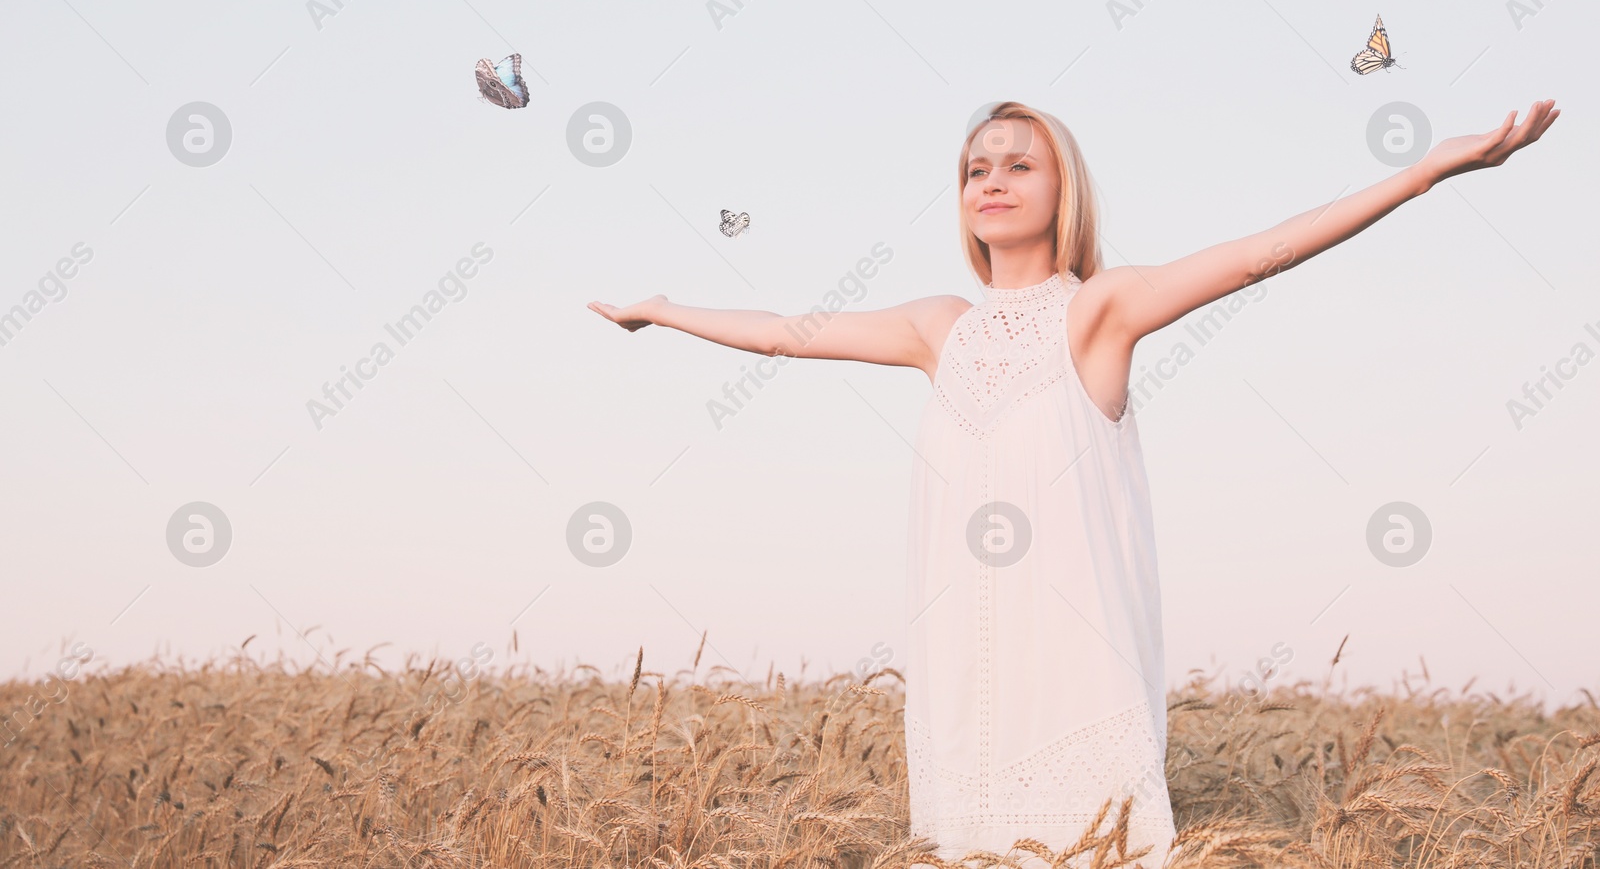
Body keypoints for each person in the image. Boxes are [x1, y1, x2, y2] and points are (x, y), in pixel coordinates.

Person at [588, 98, 1560, 867]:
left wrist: (1429, 171)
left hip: (1076, 689)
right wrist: (664, 310)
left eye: (1019, 162)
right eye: (976, 166)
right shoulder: (939, 327)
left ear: (1065, 187)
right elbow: (780, 331)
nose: (992, 179)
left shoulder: (1099, 311)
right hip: (963, 687)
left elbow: (1264, 251)